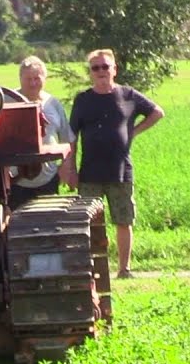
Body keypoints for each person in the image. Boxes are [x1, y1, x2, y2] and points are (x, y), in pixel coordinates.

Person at [60, 49, 165, 279]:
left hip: (120, 171)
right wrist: (71, 169)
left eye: (105, 67)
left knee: (123, 220)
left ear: (114, 69)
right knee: (88, 224)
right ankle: (91, 271)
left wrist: (134, 132)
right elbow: (72, 137)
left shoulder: (128, 95)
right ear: (90, 73)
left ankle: (124, 269)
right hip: (89, 173)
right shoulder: (83, 100)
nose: (101, 71)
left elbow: (157, 112)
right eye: (95, 68)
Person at [9, 56, 74, 209]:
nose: (32, 83)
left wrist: (67, 166)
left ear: (44, 79)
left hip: (48, 178)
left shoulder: (53, 103)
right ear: (20, 79)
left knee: (48, 221)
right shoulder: (7, 100)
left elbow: (67, 138)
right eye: (28, 78)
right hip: (16, 180)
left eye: (36, 78)